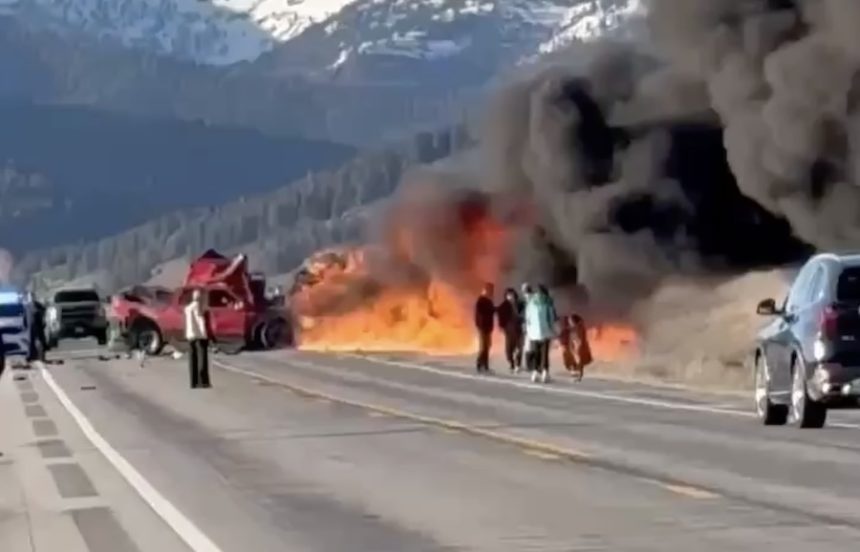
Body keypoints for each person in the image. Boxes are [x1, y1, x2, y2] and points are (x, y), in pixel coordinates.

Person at [525, 284, 558, 383]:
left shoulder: (530, 302)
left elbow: (527, 318)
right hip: (545, 331)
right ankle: (545, 373)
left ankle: (535, 373)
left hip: (533, 333)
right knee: (545, 353)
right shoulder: (548, 302)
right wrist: (554, 330)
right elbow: (551, 318)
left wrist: (529, 330)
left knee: (536, 352)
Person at [184, 289, 212, 388]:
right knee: (202, 359)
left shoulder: (187, 308)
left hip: (190, 335)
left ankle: (193, 382)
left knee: (192, 359)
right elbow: (203, 323)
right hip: (200, 336)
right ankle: (203, 381)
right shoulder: (201, 308)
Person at [496, 288, 525, 372]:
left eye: (511, 295)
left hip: (519, 329)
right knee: (508, 349)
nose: (510, 297)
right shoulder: (504, 305)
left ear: (515, 295)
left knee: (519, 348)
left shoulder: (520, 304)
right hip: (509, 330)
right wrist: (501, 326)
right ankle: (511, 362)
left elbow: (525, 314)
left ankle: (518, 364)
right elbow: (500, 315)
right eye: (508, 295)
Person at [561, 314, 592, 381]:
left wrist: (576, 347)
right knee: (574, 358)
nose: (569, 322)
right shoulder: (574, 329)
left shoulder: (578, 329)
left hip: (577, 348)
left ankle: (578, 374)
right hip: (574, 347)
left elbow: (578, 339)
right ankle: (576, 372)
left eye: (570, 321)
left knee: (578, 359)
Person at [474, 283, 496, 373]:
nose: (491, 293)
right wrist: (479, 325)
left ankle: (485, 365)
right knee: (483, 347)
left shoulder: (489, 301)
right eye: (490, 291)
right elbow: (479, 314)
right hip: (482, 327)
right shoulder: (480, 300)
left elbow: (492, 311)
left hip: (488, 327)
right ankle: (479, 364)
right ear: (485, 290)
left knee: (487, 346)